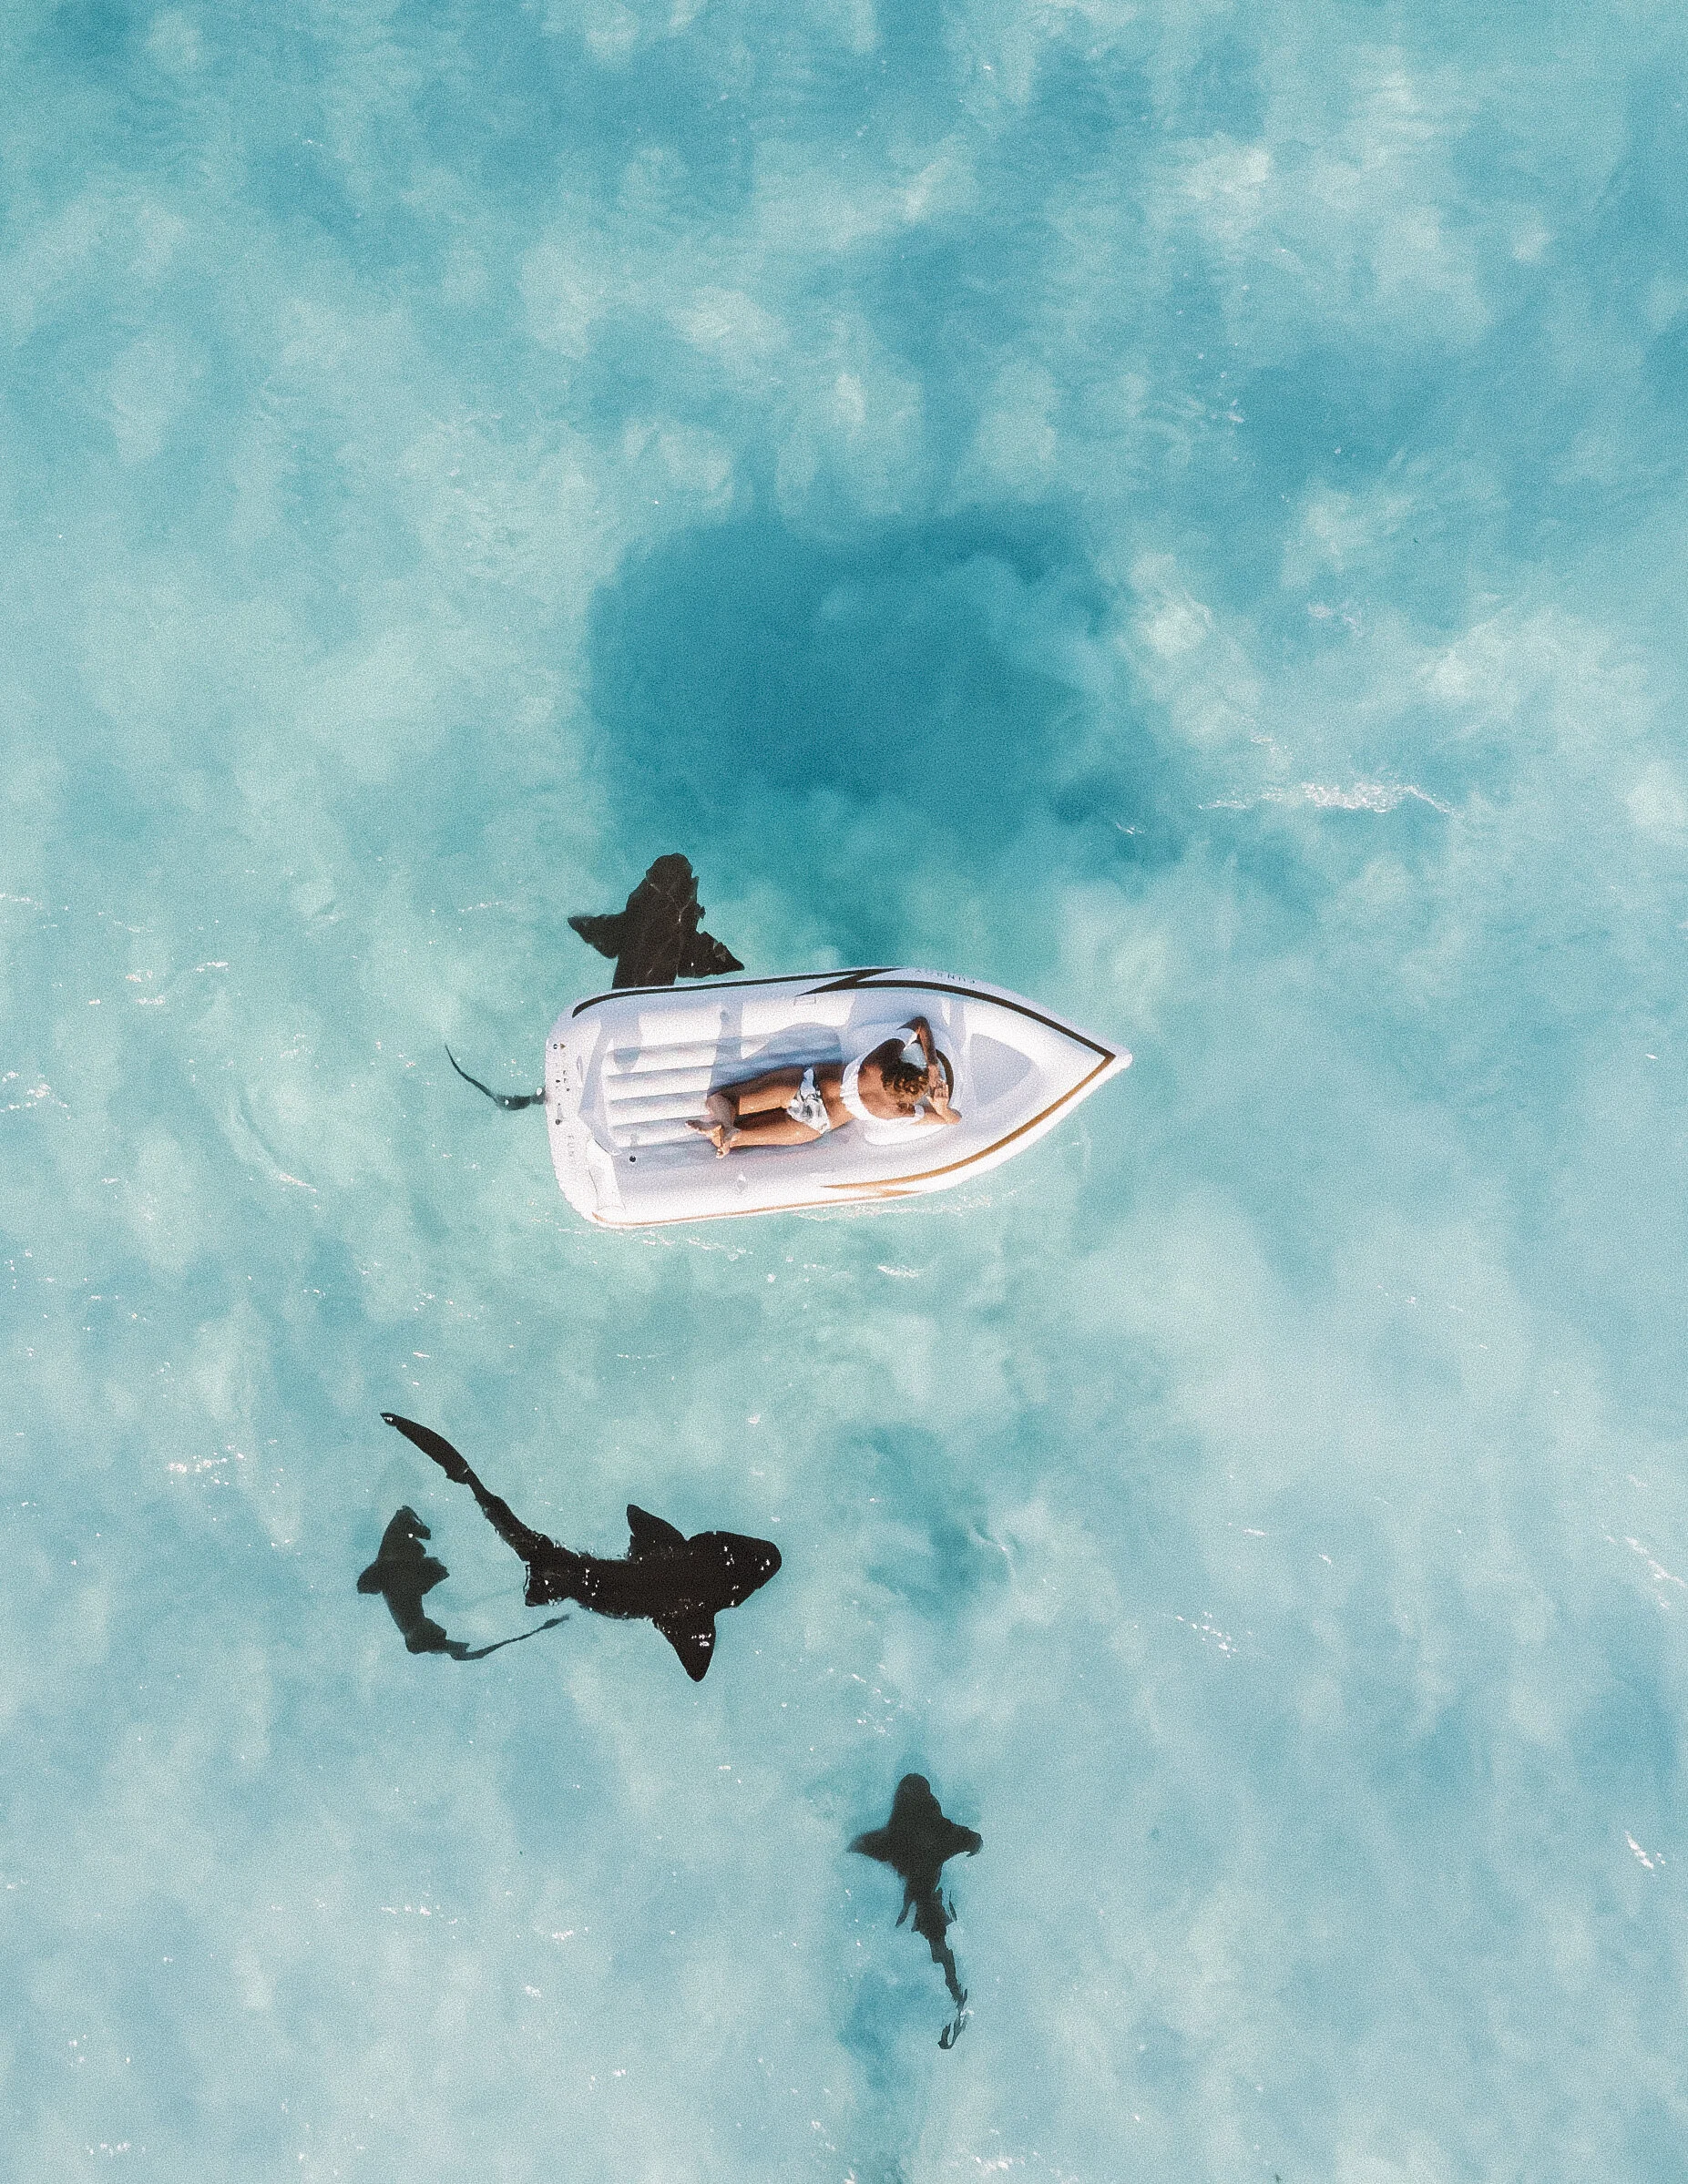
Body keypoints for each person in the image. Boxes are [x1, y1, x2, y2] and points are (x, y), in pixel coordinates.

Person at [691, 1015, 960, 1156]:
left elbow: (920, 1024)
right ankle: (727, 1134)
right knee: (738, 1139)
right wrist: (941, 1107)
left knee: (720, 1099)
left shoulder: (881, 1059)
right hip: (815, 1123)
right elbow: (951, 1121)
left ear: (903, 1067)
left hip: (804, 1085)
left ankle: (724, 1123)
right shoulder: (896, 1112)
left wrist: (932, 1065)